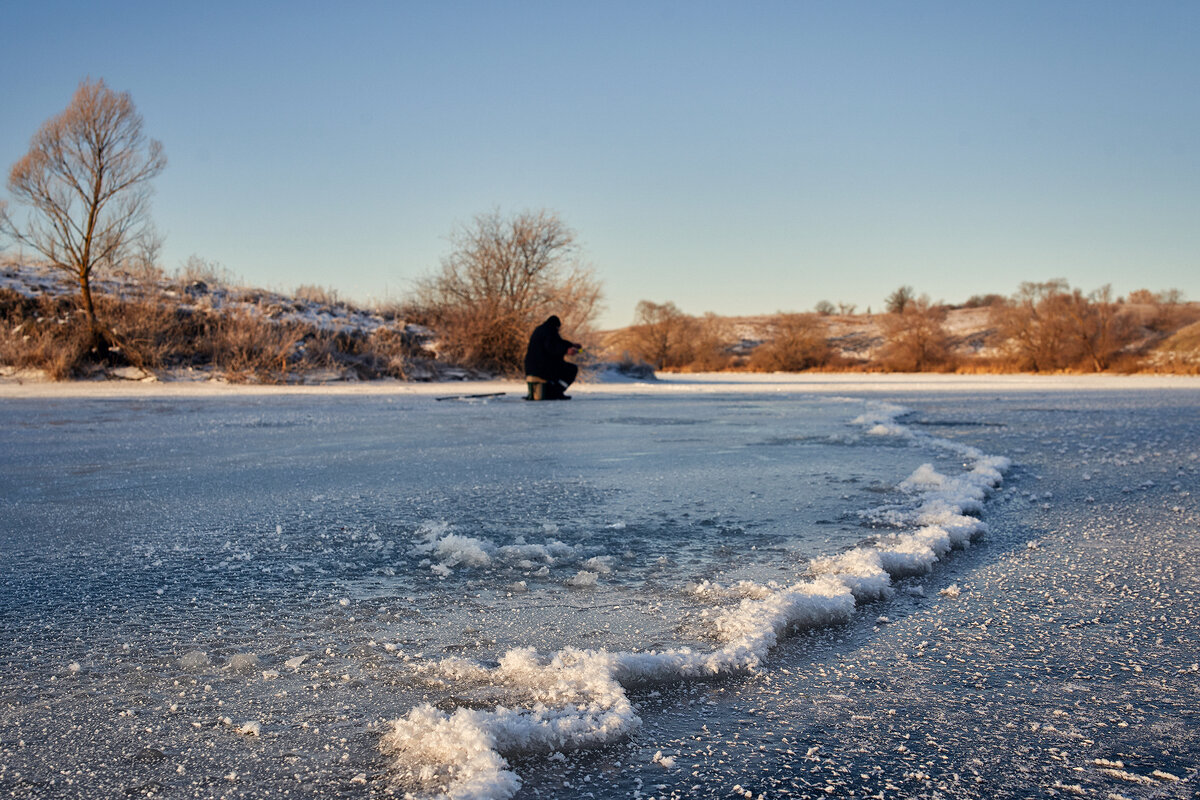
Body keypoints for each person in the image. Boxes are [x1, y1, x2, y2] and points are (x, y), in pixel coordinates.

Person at [523, 315, 581, 400]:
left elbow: (557, 342)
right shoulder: (550, 331)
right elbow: (551, 347)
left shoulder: (541, 329)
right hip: (542, 368)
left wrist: (571, 345)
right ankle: (557, 392)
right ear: (557, 326)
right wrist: (566, 350)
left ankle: (550, 391)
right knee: (571, 369)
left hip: (530, 368)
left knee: (557, 369)